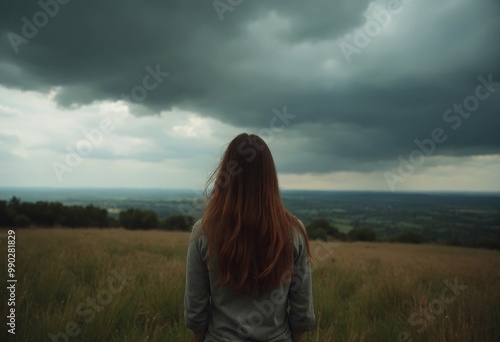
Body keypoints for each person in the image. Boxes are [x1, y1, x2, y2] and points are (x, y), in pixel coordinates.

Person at [184, 133, 315, 342]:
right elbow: (302, 312)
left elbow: (196, 310)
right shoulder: (294, 231)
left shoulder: (203, 231)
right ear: (270, 177)